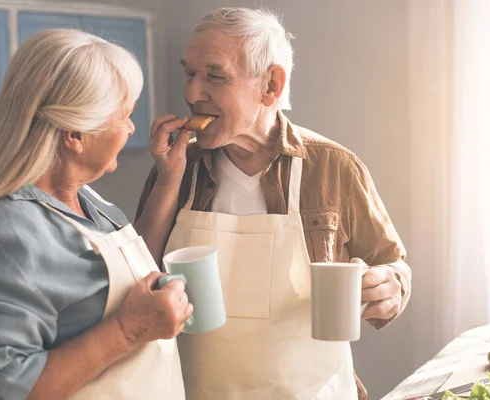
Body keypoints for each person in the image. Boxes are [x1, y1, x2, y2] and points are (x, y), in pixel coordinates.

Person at [136, 7, 412, 400]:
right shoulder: (179, 166)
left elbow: (395, 265)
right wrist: (167, 180)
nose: (191, 94)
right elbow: (138, 278)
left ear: (270, 85)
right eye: (190, 73)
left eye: (215, 76)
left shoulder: (333, 167)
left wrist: (389, 285)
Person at [0, 28, 194, 400]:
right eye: (126, 116)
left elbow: (132, 275)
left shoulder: (88, 201)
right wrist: (128, 328)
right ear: (75, 133)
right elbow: (1, 390)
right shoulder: (8, 235)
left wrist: (168, 181)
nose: (133, 128)